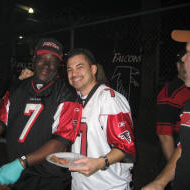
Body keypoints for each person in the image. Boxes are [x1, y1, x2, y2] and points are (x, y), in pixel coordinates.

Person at [0, 38, 82, 190]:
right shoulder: (17, 89)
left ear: (59, 64)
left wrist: (22, 162)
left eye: (53, 61)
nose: (47, 65)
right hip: (19, 174)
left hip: (50, 177)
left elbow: (60, 141)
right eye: (42, 59)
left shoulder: (67, 94)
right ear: (34, 59)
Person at [66, 48, 136, 190]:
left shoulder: (109, 100)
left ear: (93, 69)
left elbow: (126, 149)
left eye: (80, 67)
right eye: (69, 69)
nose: (74, 74)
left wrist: (100, 162)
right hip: (80, 184)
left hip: (109, 185)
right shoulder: (74, 100)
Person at [141, 29, 190, 190]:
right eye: (183, 56)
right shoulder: (171, 93)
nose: (183, 59)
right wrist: (166, 180)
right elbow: (166, 136)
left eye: (189, 54)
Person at [156, 49, 190, 161]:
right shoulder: (171, 93)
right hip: (180, 159)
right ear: (178, 65)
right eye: (185, 61)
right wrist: (175, 172)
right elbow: (165, 135)